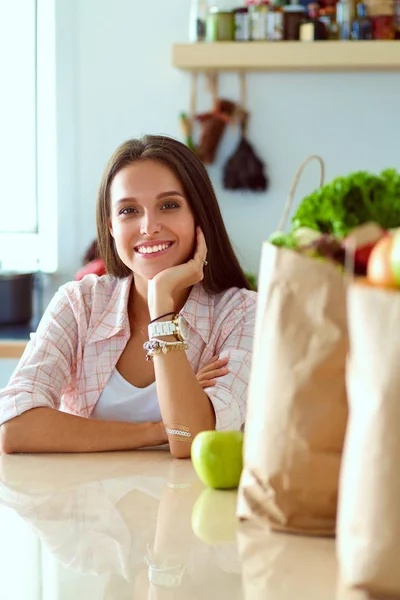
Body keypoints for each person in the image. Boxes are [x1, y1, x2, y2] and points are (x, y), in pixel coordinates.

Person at [0, 135, 256, 457]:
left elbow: (191, 441)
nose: (149, 226)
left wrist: (161, 307)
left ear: (199, 217)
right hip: (81, 504)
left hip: (186, 505)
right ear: (111, 228)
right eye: (129, 210)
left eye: (169, 205)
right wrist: (157, 430)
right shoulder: (80, 304)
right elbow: (13, 426)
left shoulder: (242, 313)